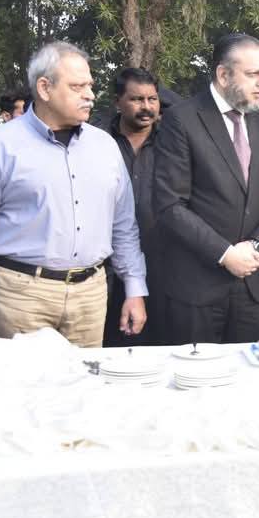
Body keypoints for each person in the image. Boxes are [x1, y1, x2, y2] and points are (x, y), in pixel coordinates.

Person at [0, 41, 147, 347]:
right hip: (18, 297)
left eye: (90, 86)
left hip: (90, 296)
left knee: (83, 378)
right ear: (44, 88)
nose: (90, 95)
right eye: (77, 86)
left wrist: (134, 287)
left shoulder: (105, 147)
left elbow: (123, 225)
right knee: (24, 380)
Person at [154, 33, 259, 345]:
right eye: (253, 74)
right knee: (196, 373)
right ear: (223, 75)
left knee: (247, 373)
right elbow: (170, 205)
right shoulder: (182, 120)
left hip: (253, 284)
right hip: (197, 286)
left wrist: (257, 246)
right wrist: (225, 253)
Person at [98, 67, 163, 347]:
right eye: (137, 99)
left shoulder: (173, 142)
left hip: (162, 263)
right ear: (118, 102)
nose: (146, 107)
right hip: (106, 267)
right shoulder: (97, 142)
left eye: (152, 99)